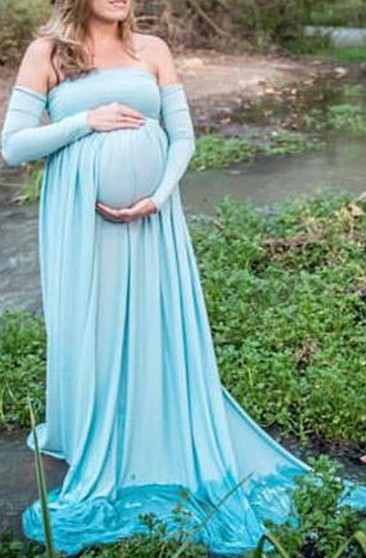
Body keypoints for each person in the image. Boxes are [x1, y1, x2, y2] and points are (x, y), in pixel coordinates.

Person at [1, 0, 365, 555]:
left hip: (154, 221)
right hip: (78, 220)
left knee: (154, 322)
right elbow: (13, 147)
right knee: (88, 324)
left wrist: (158, 196)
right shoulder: (49, 53)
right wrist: (83, 122)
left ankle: (153, 428)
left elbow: (184, 137)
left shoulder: (154, 50)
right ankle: (89, 428)